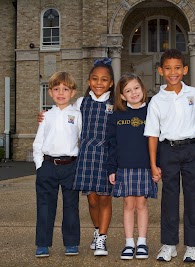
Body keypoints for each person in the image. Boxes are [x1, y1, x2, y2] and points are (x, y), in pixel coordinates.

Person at [38, 58, 115, 256]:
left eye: (104, 79)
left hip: (97, 160)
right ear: (89, 81)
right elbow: (49, 135)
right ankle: (94, 231)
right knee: (89, 201)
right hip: (79, 160)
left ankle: (94, 240)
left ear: (111, 83)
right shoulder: (81, 103)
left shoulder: (113, 105)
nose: (99, 83)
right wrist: (39, 163)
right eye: (95, 79)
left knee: (94, 201)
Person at [143, 49, 195, 263]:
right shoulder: (157, 101)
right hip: (167, 151)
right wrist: (153, 163)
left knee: (192, 197)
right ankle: (169, 244)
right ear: (160, 71)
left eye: (177, 68)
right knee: (169, 199)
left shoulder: (194, 94)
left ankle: (193, 245)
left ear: (185, 70)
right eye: (168, 68)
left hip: (191, 150)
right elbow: (152, 134)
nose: (173, 72)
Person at [107, 73, 158, 260]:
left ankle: (142, 242)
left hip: (145, 166)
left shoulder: (151, 112)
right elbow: (112, 143)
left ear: (142, 89)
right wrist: (111, 168)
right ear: (122, 96)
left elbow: (157, 141)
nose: (133, 93)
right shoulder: (117, 115)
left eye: (136, 88)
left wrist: (156, 166)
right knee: (128, 204)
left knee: (142, 204)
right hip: (124, 167)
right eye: (128, 90)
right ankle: (129, 243)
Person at [33, 71, 82, 258]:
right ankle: (43, 244)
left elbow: (81, 139)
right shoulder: (46, 116)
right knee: (45, 206)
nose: (61, 93)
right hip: (48, 166)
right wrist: (40, 164)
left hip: (70, 166)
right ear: (50, 93)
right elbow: (38, 142)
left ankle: (71, 243)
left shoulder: (77, 115)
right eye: (56, 89)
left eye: (65, 89)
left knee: (71, 206)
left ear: (72, 92)